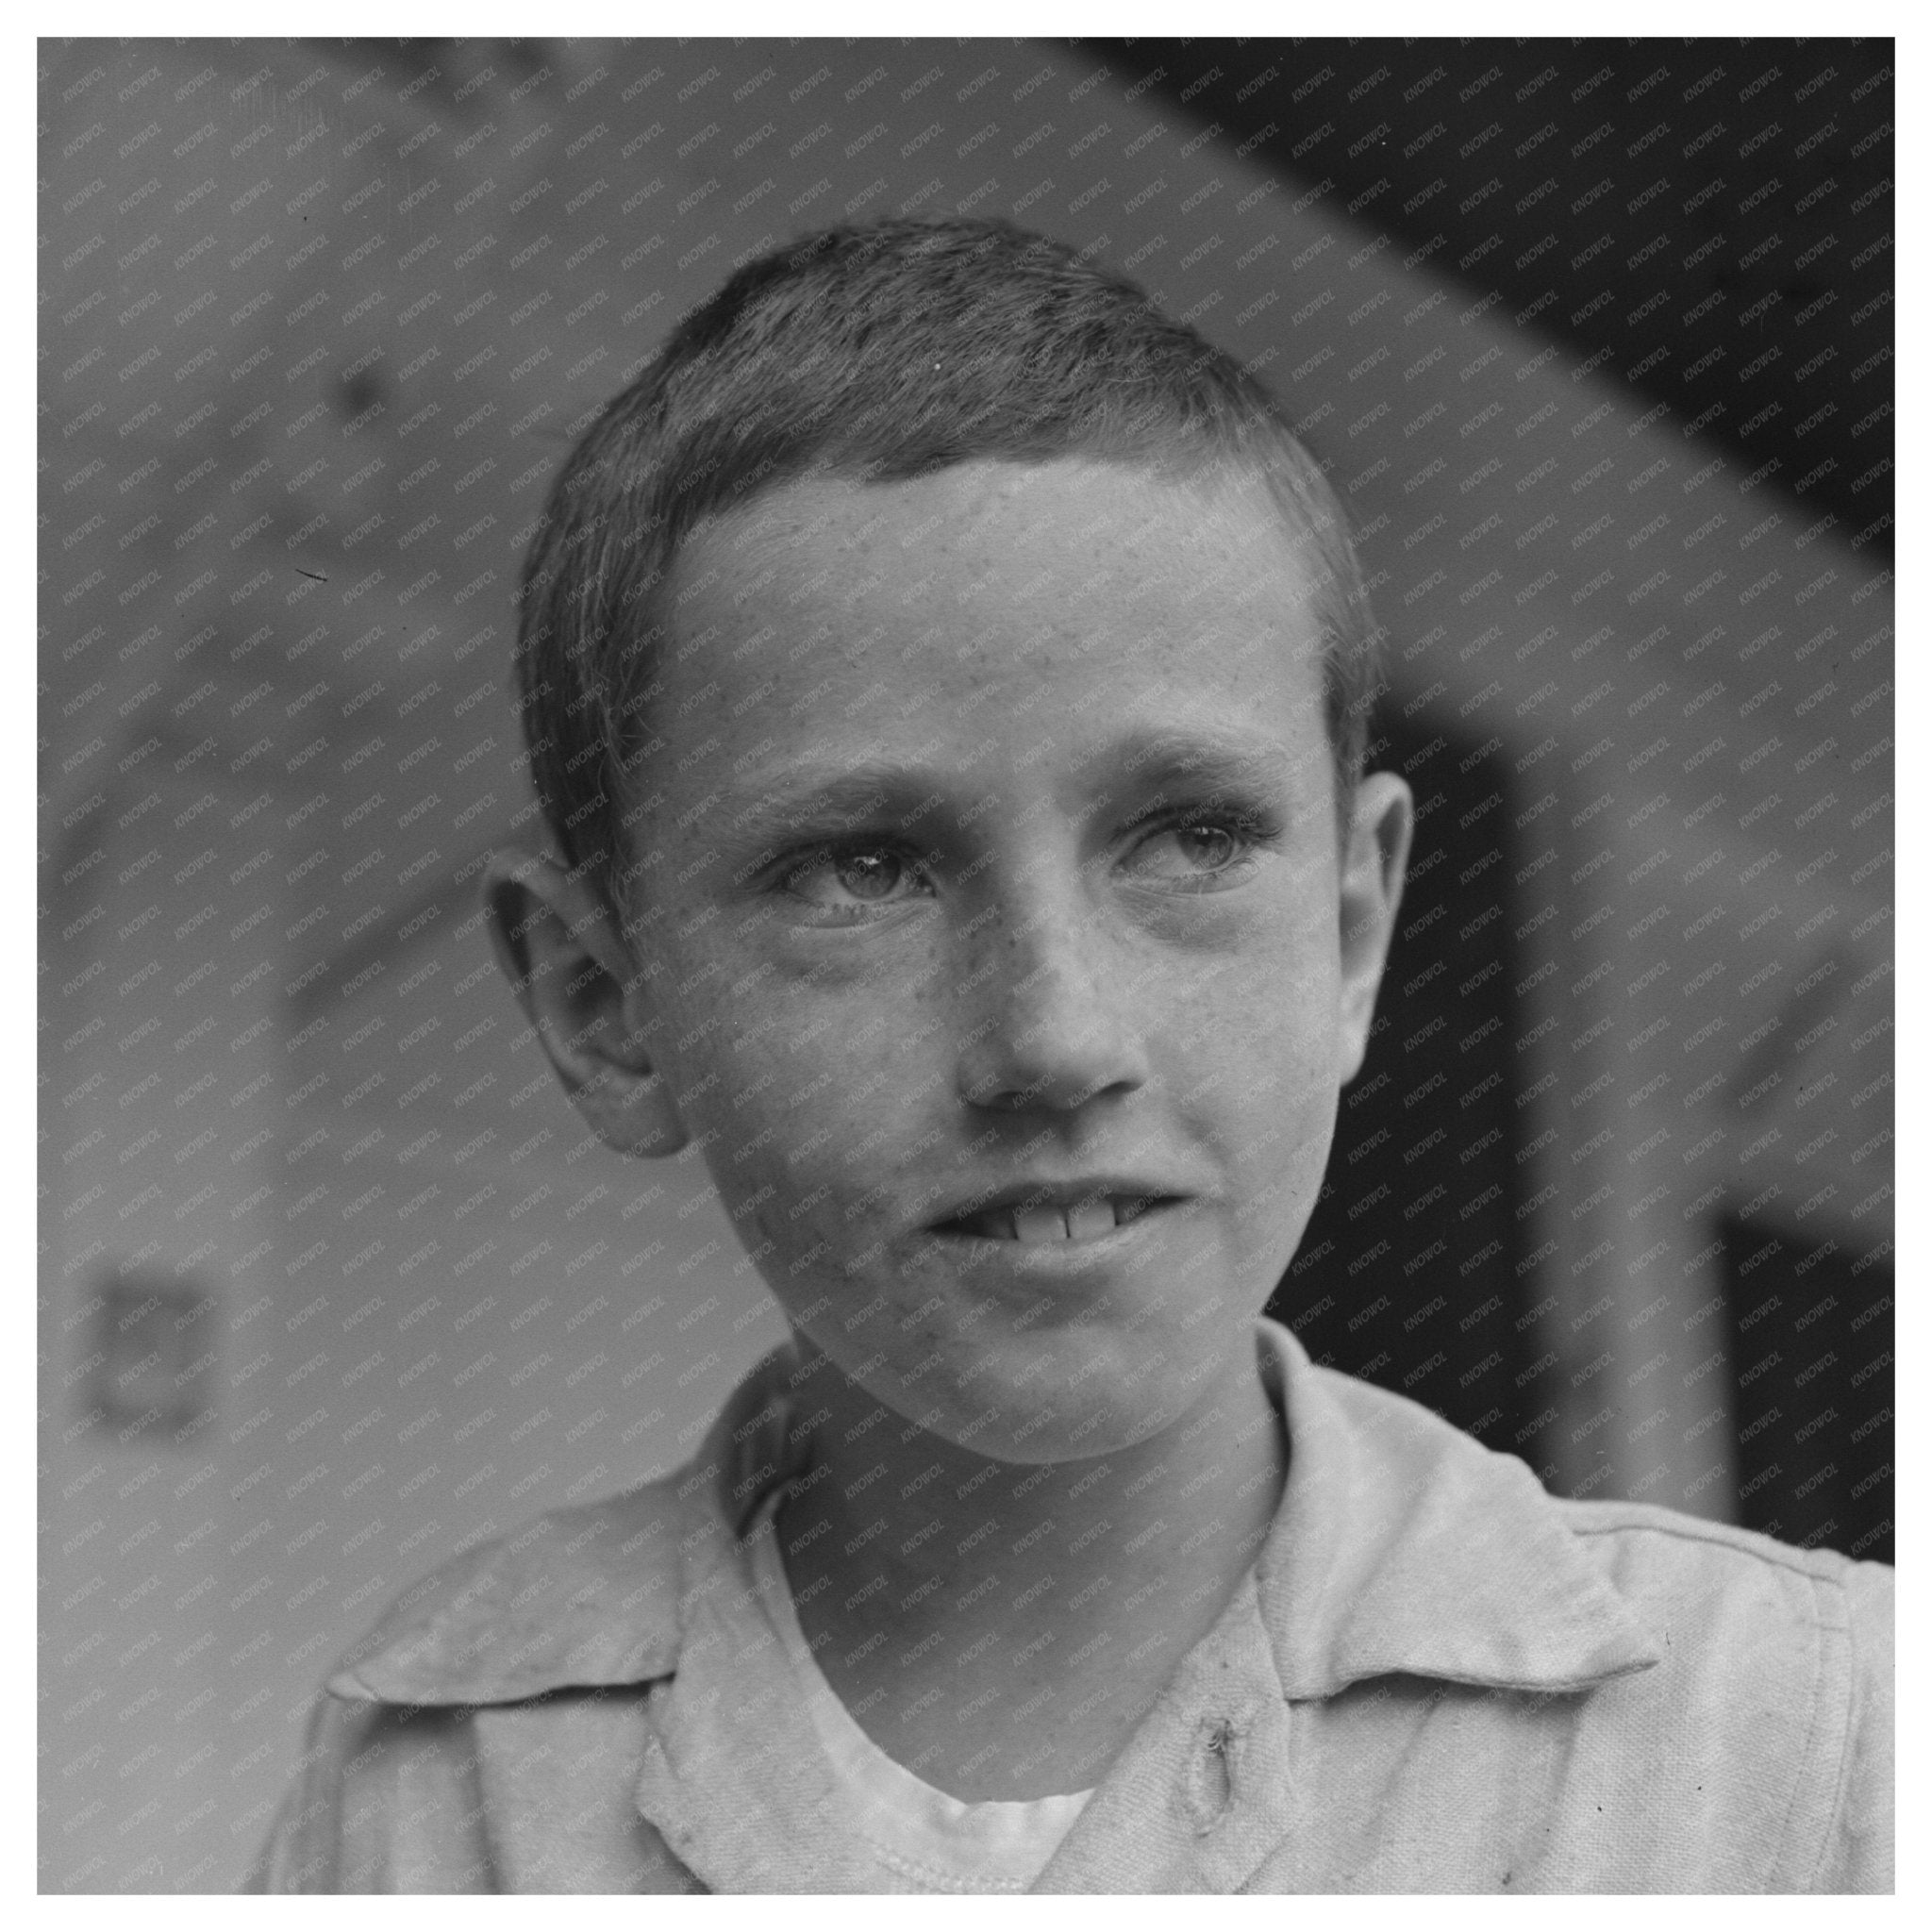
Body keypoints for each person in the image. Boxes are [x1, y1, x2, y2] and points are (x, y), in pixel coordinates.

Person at [248, 216, 1892, 1893]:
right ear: (604, 1006)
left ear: (1352, 932)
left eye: (1188, 835)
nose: (1053, 1038)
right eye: (858, 869)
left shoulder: (1814, 1747)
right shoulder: (429, 1786)